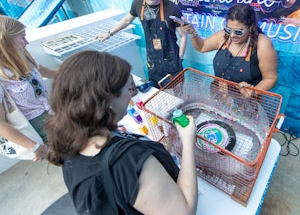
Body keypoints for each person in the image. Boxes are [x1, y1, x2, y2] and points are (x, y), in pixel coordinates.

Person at [45, 51, 198, 215]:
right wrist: (188, 141)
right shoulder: (129, 159)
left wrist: (114, 133)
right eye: (128, 88)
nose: (133, 94)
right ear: (107, 100)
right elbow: (185, 211)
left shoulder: (69, 138)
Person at [96, 0, 187, 86]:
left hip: (172, 60)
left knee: (178, 91)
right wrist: (109, 33)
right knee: (156, 92)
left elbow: (183, 36)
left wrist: (179, 59)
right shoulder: (138, 3)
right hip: (153, 60)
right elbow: (127, 20)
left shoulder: (172, 8)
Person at [179, 3, 278, 97]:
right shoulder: (223, 36)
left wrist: (253, 91)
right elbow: (202, 47)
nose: (232, 35)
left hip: (246, 105)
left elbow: (270, 78)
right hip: (218, 96)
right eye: (228, 29)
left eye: (238, 32)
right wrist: (192, 32)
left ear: (251, 27)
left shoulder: (263, 44)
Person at [0, 16, 56, 161]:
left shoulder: (20, 55)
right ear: (5, 42)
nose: (27, 42)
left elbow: (36, 69)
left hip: (52, 114)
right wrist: (35, 147)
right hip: (39, 129)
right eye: (22, 38)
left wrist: (61, 73)